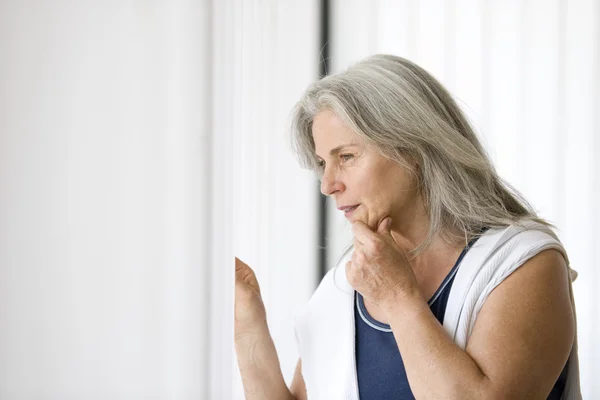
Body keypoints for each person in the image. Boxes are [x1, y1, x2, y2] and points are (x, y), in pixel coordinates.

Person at [234, 54, 581, 399]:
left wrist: (397, 296)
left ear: (412, 146)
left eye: (347, 157)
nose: (327, 185)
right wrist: (247, 323)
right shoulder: (342, 286)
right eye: (323, 162)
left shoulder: (524, 264)